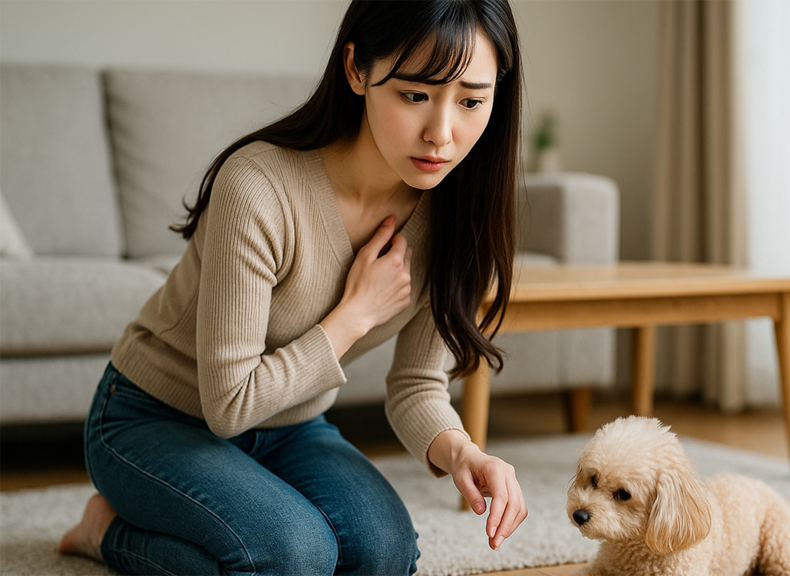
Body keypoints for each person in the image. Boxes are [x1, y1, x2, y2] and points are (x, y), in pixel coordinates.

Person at [57, 0, 527, 573]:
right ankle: (104, 531)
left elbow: (416, 385)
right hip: (153, 417)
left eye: (472, 101)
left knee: (385, 555)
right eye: (414, 95)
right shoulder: (258, 187)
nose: (442, 134)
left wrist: (463, 452)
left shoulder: (461, 217)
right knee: (292, 555)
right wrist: (354, 314)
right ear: (357, 70)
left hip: (292, 426)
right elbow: (228, 404)